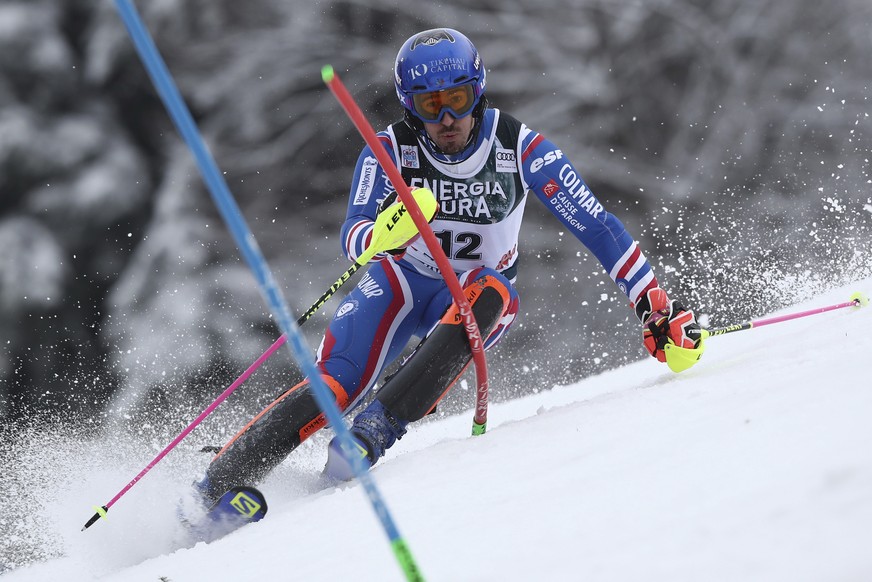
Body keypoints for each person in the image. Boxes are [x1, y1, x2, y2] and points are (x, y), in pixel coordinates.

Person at [192, 28, 702, 507]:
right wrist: (383, 235)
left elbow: (598, 226)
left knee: (493, 294)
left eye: (456, 99)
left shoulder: (519, 148)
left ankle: (373, 432)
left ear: (477, 92)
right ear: (409, 107)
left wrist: (652, 306)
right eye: (429, 105)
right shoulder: (391, 150)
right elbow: (354, 235)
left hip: (472, 298)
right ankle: (215, 485)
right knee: (337, 385)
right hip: (401, 284)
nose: (446, 119)